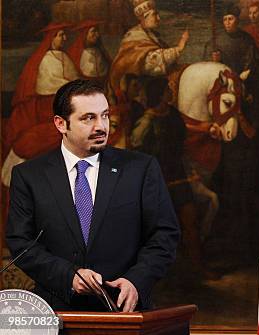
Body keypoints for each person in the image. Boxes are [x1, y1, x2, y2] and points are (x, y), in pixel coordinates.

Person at [6, 79, 180, 312]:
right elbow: (21, 242)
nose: (102, 126)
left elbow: (165, 235)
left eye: (105, 115)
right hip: (55, 314)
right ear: (60, 124)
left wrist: (136, 281)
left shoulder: (141, 168)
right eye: (89, 118)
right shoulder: (29, 176)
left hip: (126, 312)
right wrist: (68, 276)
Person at [2, 23, 80, 186]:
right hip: (48, 107)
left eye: (64, 35)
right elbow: (49, 86)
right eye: (60, 35)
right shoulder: (47, 59)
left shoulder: (64, 57)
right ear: (51, 38)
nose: (64, 38)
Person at [109, 0, 189, 100]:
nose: (158, 18)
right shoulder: (134, 37)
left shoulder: (152, 35)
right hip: (140, 92)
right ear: (144, 17)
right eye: (155, 15)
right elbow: (150, 64)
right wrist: (179, 49)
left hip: (153, 83)